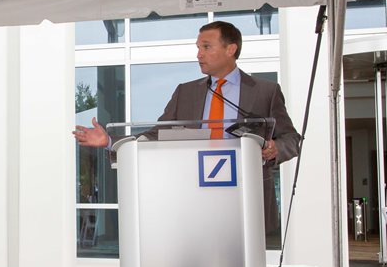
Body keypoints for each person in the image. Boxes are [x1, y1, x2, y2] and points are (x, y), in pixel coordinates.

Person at [73, 20, 300, 236]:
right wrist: (110, 142)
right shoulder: (186, 92)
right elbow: (156, 135)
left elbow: (291, 139)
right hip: (195, 195)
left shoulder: (264, 91)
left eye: (206, 47)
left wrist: (275, 148)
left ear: (231, 49)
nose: (198, 54)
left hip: (247, 194)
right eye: (198, 47)